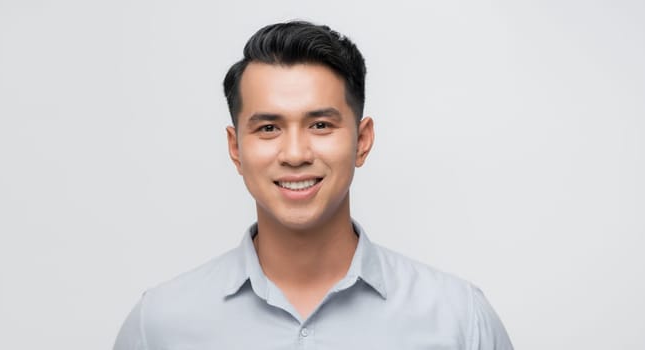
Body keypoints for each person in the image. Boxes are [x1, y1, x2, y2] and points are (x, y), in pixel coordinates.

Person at [113, 20, 514, 349]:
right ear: (236, 148)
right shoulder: (159, 327)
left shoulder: (459, 320)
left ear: (363, 140)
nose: (295, 153)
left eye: (320, 125)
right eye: (268, 128)